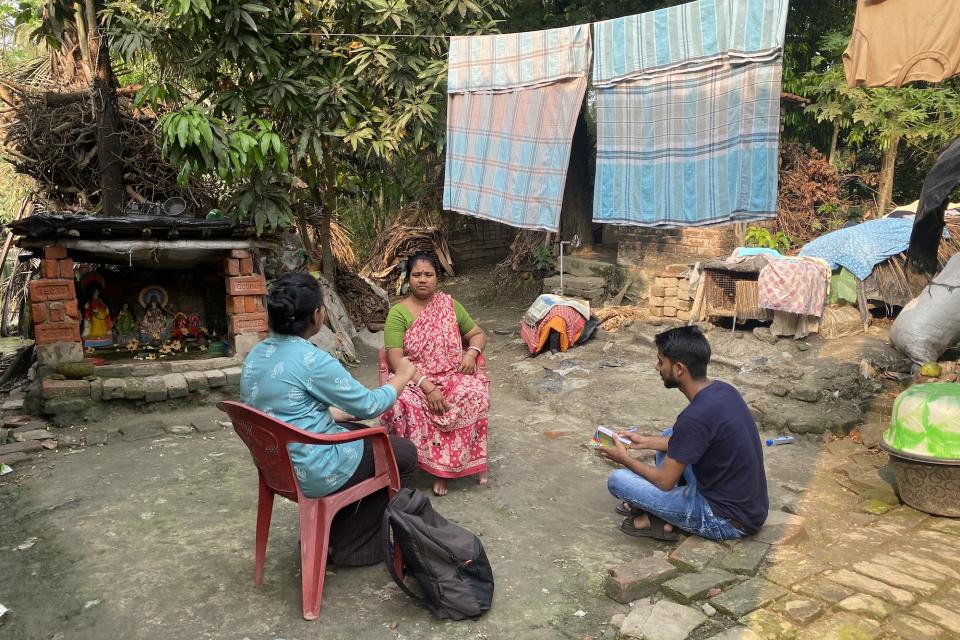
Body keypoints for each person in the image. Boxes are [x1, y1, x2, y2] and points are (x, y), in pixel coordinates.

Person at [241, 272, 419, 566]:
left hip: (276, 464)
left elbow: (286, 411)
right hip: (312, 469)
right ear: (316, 314)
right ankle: (353, 544)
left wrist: (342, 413)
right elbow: (372, 405)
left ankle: (331, 526)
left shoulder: (256, 354)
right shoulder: (313, 360)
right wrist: (401, 377)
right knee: (401, 454)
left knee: (360, 431)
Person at [600, 326, 768, 541]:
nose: (656, 367)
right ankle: (660, 511)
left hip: (726, 520)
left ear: (679, 369)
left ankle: (662, 516)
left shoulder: (694, 417)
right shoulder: (724, 390)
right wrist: (645, 442)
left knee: (617, 480)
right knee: (673, 434)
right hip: (746, 506)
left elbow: (664, 482)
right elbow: (687, 439)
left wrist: (623, 459)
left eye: (661, 362)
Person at [380, 253, 490, 496]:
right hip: (413, 379)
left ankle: (447, 471)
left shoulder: (450, 305)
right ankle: (414, 464)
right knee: (397, 403)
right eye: (416, 275)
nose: (422, 280)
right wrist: (427, 386)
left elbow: (478, 334)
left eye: (428, 275)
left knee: (475, 393)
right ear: (408, 279)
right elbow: (396, 359)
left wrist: (470, 355)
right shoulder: (398, 313)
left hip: (452, 375)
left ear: (436, 278)